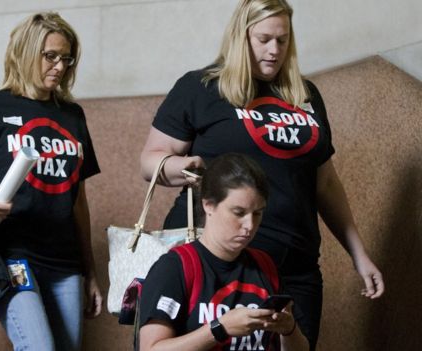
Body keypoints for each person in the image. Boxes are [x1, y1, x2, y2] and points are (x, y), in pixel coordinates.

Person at [139, 0, 384, 349]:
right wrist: (182, 166)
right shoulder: (201, 87)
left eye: (282, 41)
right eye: (264, 39)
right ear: (241, 37)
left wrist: (359, 255)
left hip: (293, 265)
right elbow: (150, 160)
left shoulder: (305, 96)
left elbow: (325, 183)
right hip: (218, 264)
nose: (274, 51)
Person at [0, 12, 102, 350]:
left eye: (66, 58)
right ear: (26, 52)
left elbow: (78, 198)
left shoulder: (72, 116)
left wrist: (90, 271)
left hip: (65, 262)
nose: (60, 66)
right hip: (12, 254)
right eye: (50, 56)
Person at [139, 153, 308, 351]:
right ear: (208, 205)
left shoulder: (265, 265)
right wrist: (220, 328)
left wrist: (289, 330)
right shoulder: (174, 267)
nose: (250, 225)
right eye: (238, 212)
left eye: (257, 213)